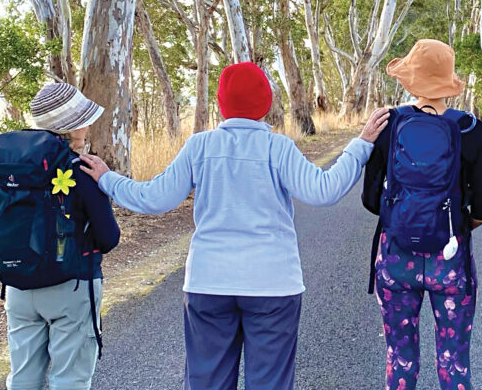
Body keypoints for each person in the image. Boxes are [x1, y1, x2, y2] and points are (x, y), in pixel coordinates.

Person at [80, 61, 389, 390]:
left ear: (221, 103)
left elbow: (155, 198)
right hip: (273, 286)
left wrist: (108, 179)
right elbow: (324, 190)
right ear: (266, 104)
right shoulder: (278, 147)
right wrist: (361, 145)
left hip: (209, 283)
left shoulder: (199, 146)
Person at [361, 39, 482, 390]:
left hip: (396, 260)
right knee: (453, 360)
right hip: (450, 260)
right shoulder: (470, 129)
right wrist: (454, 225)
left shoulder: (390, 123)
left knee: (400, 357)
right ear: (448, 82)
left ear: (410, 79)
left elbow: (371, 199)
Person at [0, 83, 121, 390]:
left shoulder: (11, 169)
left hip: (18, 287)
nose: (89, 124)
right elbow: (108, 237)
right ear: (75, 126)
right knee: (70, 379)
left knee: (23, 378)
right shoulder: (81, 171)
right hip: (72, 286)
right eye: (85, 119)